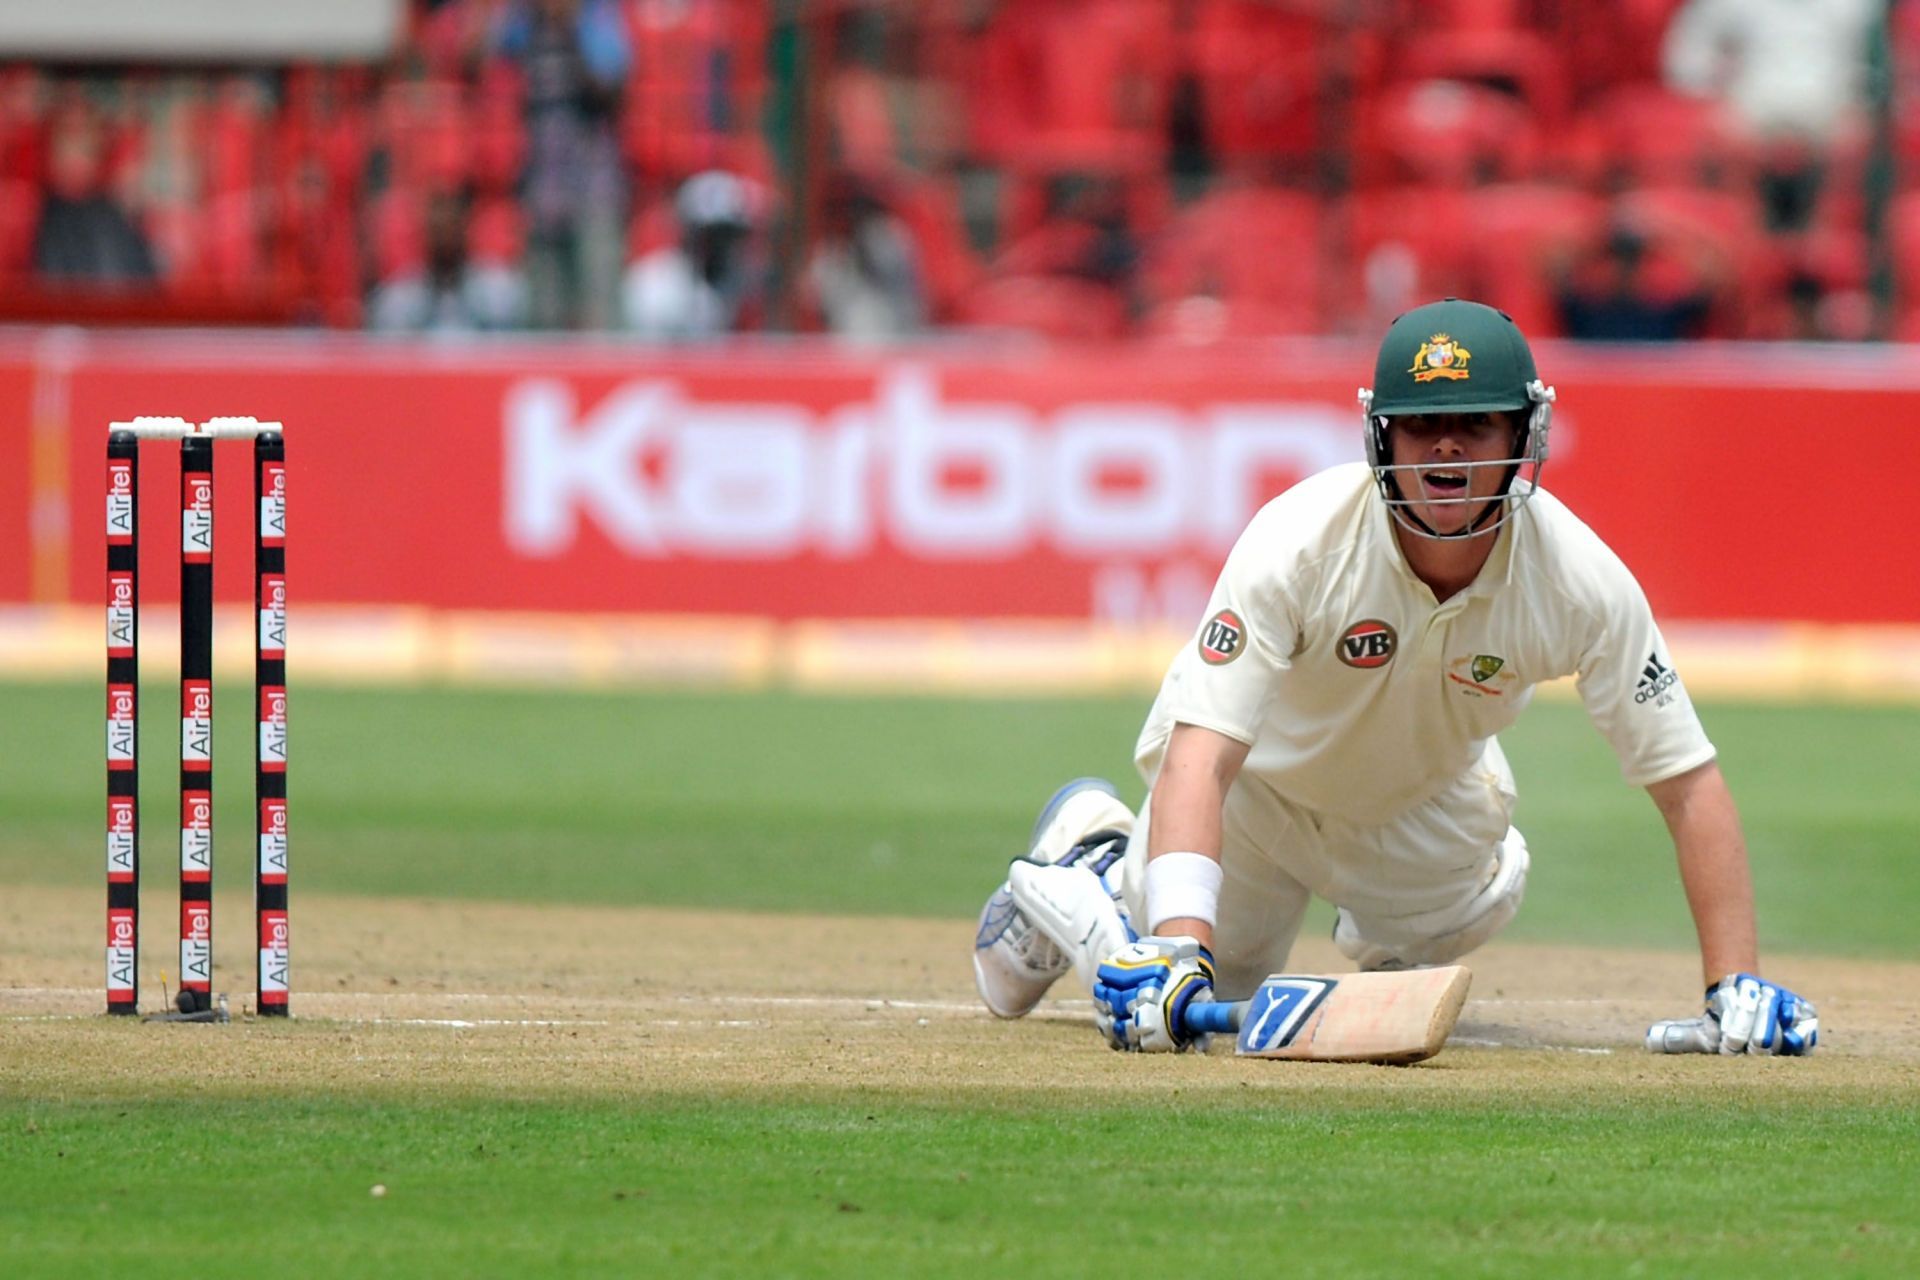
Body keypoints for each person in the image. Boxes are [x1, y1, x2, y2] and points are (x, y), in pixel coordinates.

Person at [972, 298, 1818, 1058]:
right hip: (1256, 796)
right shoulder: (1300, 541)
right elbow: (1204, 754)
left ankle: (1360, 929)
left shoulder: (1577, 580)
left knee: (1492, 883)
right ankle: (1096, 868)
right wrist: (1177, 952)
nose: (1445, 445)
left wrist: (1732, 983)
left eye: (1476, 423)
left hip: (1418, 805)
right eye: (1422, 425)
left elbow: (1687, 782)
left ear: (1523, 437)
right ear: (1382, 435)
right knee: (1192, 1007)